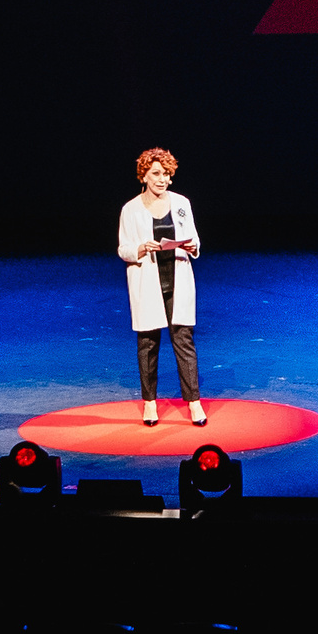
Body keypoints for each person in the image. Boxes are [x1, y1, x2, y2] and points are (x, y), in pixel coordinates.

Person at [117, 147, 204, 427]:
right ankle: (150, 403)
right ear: (144, 175)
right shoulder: (131, 209)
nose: (162, 179)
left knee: (183, 340)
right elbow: (124, 249)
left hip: (177, 278)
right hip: (148, 281)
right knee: (148, 343)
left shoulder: (181, 203)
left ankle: (194, 403)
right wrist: (142, 248)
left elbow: (194, 238)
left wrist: (191, 246)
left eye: (166, 174)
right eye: (156, 173)